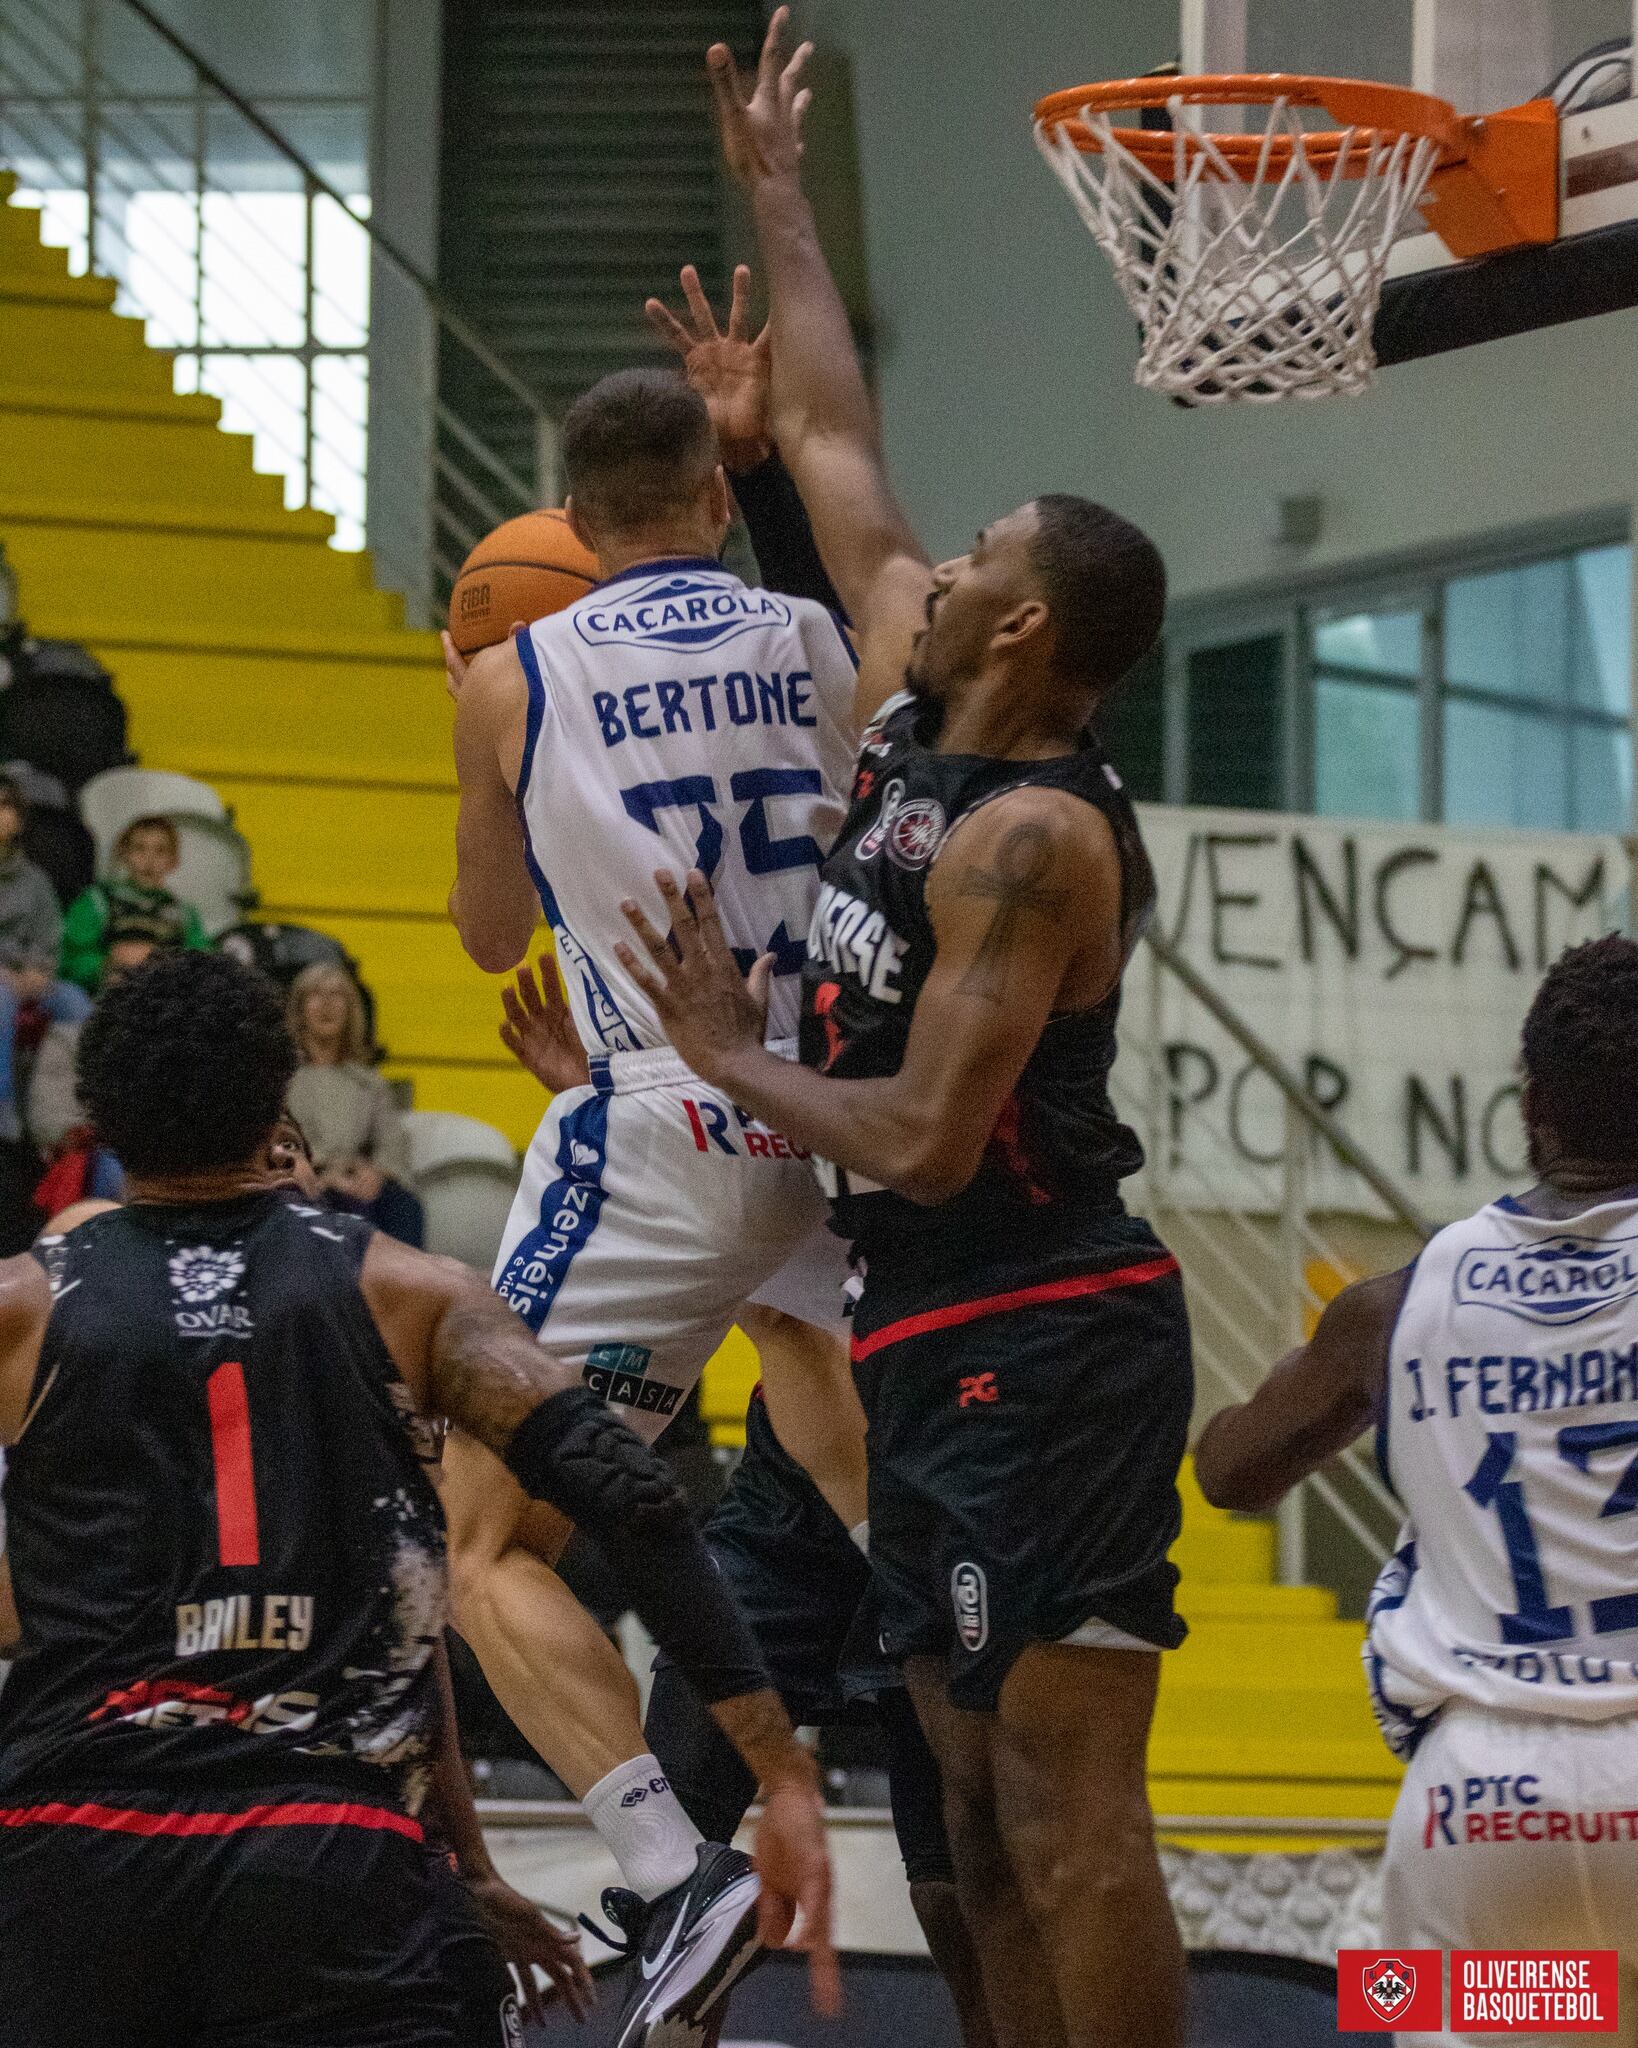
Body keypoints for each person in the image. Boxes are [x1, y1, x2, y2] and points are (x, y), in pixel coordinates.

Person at [612, 19, 1194, 2048]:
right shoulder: (914, 714)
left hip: (1052, 1325)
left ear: (1024, 628)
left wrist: (717, 1045)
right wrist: (779, 192)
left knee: (1065, 1812)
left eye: (972, 570)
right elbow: (840, 452)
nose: (927, 570)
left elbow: (936, 1138)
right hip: (930, 1339)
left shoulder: (1029, 840)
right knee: (962, 1807)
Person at [0, 948, 835, 2048]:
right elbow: (632, 1497)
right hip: (327, 1846)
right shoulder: (410, 1291)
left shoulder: (23, 1304)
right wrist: (778, 1768)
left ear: (99, 1120)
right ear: (275, 1102)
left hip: (76, 1840)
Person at [442, 272, 866, 2035]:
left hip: (660, 1123)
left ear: (560, 514)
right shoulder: (834, 639)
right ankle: (954, 1790)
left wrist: (485, 738)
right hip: (838, 1118)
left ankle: (659, 1860)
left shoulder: (506, 671)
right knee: (871, 1491)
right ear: (711, 491)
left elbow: (482, 938)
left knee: (475, 1535)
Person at [1195, 934, 1638, 2047]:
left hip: (1480, 1801)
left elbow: (1227, 1471)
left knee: (1444, 2007)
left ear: (1531, 1102)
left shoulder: (1396, 1304)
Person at [287, 960, 425, 1247]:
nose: (326, 1004)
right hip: (303, 1184)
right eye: (316, 994)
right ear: (300, 1010)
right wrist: (326, 1175)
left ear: (350, 1010)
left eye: (337, 995)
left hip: (359, 1181)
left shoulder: (368, 1082)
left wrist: (375, 1173)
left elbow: (392, 1143)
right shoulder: (283, 1080)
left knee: (403, 1208)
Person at [0, 772, 90, 1147]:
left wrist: (38, 971)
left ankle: (78, 1109)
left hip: (27, 976)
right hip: (1, 983)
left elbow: (50, 934)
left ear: (19, 819)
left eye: (5, 805)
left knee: (76, 1002)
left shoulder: (35, 880)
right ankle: (4, 1105)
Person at [61, 812, 208, 992]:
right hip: (110, 998)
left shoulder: (183, 912)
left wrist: (164, 964)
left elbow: (202, 962)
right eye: (139, 849)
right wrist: (106, 965)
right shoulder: (97, 901)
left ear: (173, 860)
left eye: (160, 851)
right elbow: (70, 957)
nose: (149, 860)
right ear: (124, 853)